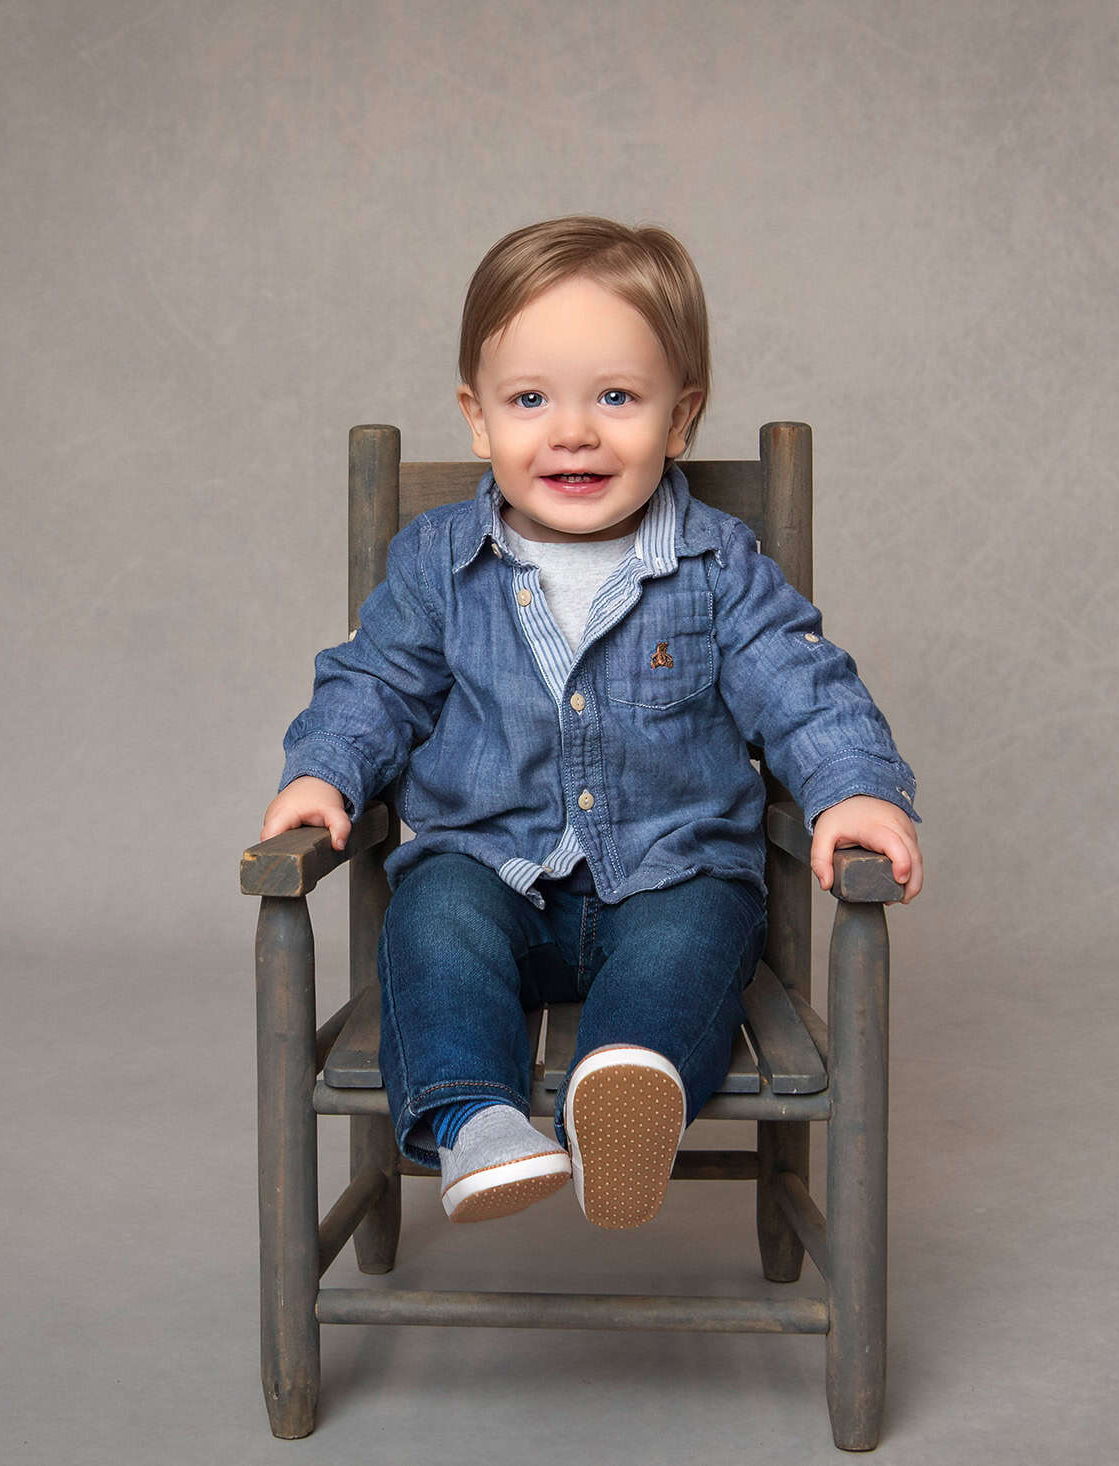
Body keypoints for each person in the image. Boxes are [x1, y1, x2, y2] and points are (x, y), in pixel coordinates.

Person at [259, 215, 923, 1229]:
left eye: (615, 397)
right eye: (529, 400)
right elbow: (373, 682)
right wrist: (324, 773)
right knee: (431, 924)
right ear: (476, 418)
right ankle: (475, 1124)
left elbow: (801, 682)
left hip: (671, 868)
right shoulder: (438, 562)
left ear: (679, 417)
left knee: (689, 944)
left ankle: (626, 1086)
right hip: (486, 867)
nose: (572, 431)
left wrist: (853, 786)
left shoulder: (719, 563)